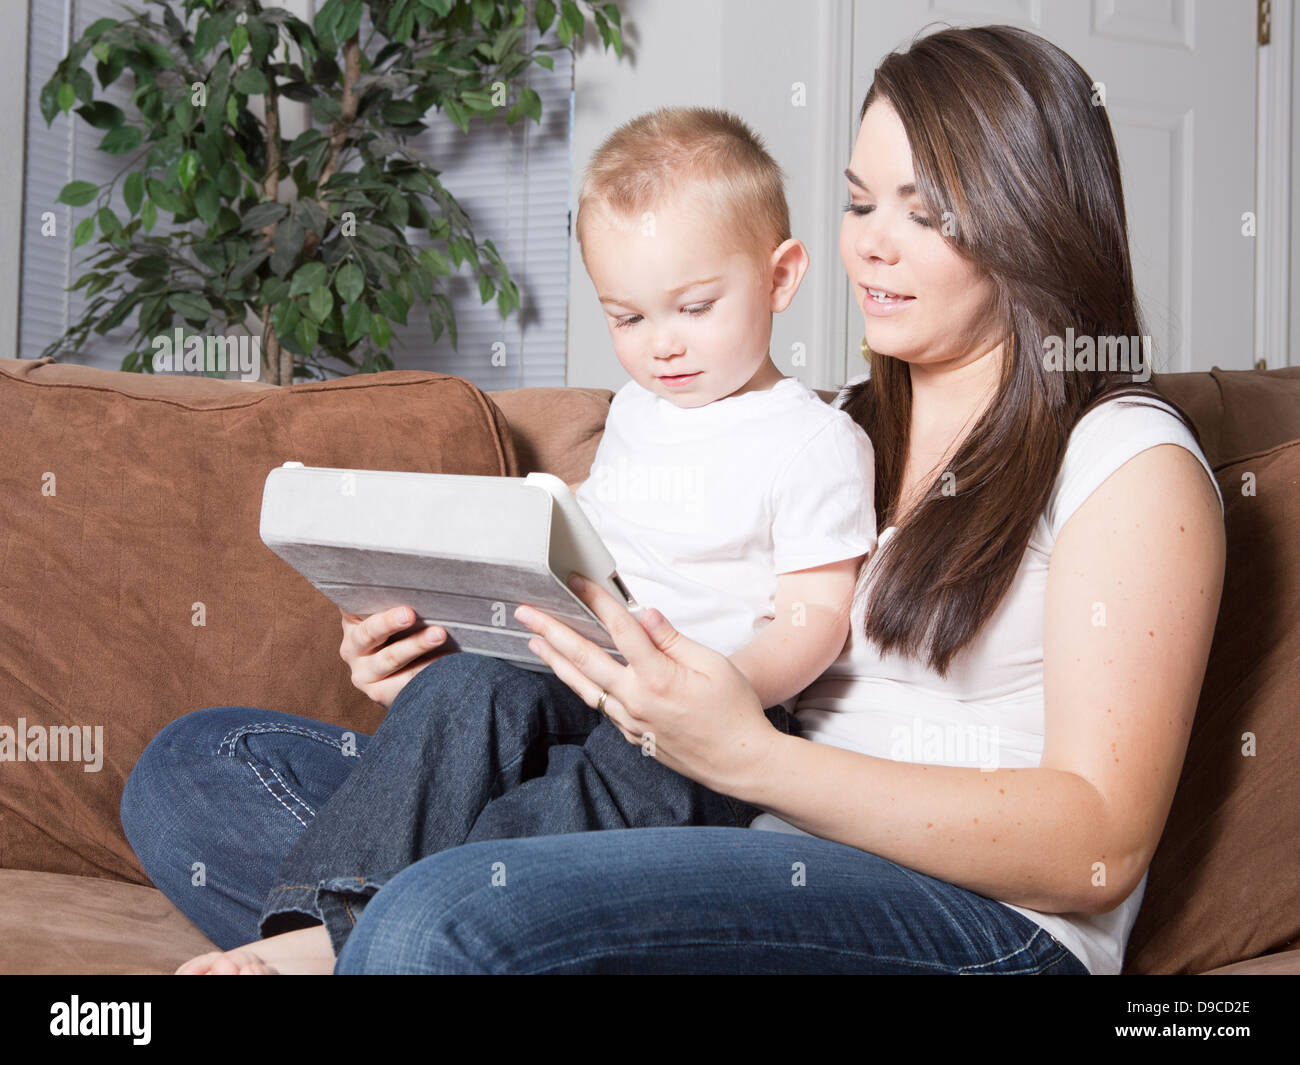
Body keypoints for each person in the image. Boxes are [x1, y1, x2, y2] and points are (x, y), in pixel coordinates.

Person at [121, 24, 1225, 975]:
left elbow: (1100, 840)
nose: (871, 246)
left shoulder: (1124, 461)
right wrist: (461, 631)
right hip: (705, 814)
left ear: (1030, 219)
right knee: (192, 774)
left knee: (436, 915)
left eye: (924, 212)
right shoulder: (815, 423)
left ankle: (399, 934)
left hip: (965, 914)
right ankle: (416, 935)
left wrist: (751, 757)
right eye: (855, 201)